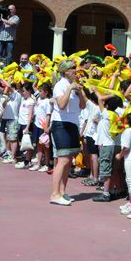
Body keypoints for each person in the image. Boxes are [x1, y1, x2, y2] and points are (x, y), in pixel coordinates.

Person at [49, 59, 85, 206]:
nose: (75, 71)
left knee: (69, 160)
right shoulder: (60, 85)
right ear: (65, 71)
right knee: (62, 159)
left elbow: (83, 105)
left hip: (72, 124)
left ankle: (62, 192)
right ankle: (54, 194)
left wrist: (80, 91)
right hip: (61, 124)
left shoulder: (74, 86)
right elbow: (62, 105)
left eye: (76, 68)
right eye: (73, 68)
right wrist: (70, 89)